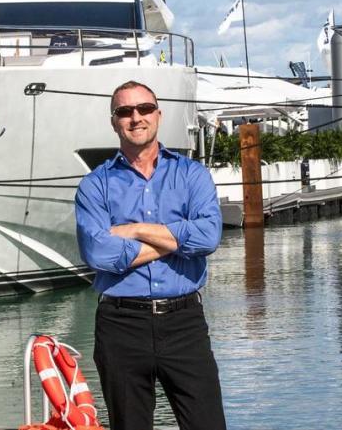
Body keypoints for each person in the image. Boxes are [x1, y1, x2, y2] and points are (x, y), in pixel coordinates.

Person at [75, 81, 227, 430]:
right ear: (114, 122)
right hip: (120, 325)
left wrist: (133, 230)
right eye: (125, 111)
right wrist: (175, 236)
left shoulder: (192, 174)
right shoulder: (95, 185)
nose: (136, 117)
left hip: (184, 322)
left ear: (158, 114)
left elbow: (208, 237)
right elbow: (98, 253)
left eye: (144, 108)